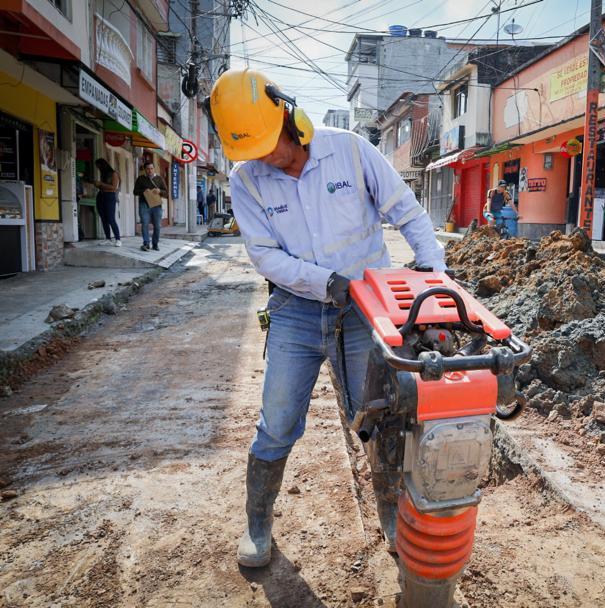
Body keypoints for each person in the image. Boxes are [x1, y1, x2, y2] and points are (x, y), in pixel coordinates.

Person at [205, 68, 445, 568]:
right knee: (276, 423)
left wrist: (435, 275)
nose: (267, 157)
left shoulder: (351, 150)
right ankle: (258, 525)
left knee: (377, 418)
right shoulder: (245, 179)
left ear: (286, 113)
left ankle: (390, 515)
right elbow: (265, 255)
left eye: (270, 143)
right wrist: (324, 282)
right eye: (253, 150)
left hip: (365, 311)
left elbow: (407, 211)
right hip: (295, 312)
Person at [133, 161, 167, 251]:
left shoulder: (159, 179)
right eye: (148, 169)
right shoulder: (140, 179)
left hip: (156, 205)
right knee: (144, 224)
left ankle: (155, 244)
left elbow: (166, 193)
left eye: (151, 168)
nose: (150, 170)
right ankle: (146, 244)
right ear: (145, 170)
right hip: (144, 204)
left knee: (157, 226)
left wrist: (160, 191)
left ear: (154, 169)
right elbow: (135, 192)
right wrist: (144, 191)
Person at [93, 158, 121, 247]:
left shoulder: (114, 174)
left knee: (111, 218)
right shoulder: (103, 174)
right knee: (103, 218)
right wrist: (97, 185)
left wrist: (101, 184)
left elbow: (113, 187)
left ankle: (118, 239)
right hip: (101, 196)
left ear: (103, 165)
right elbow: (103, 186)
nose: (98, 168)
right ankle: (108, 238)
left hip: (110, 197)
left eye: (99, 166)